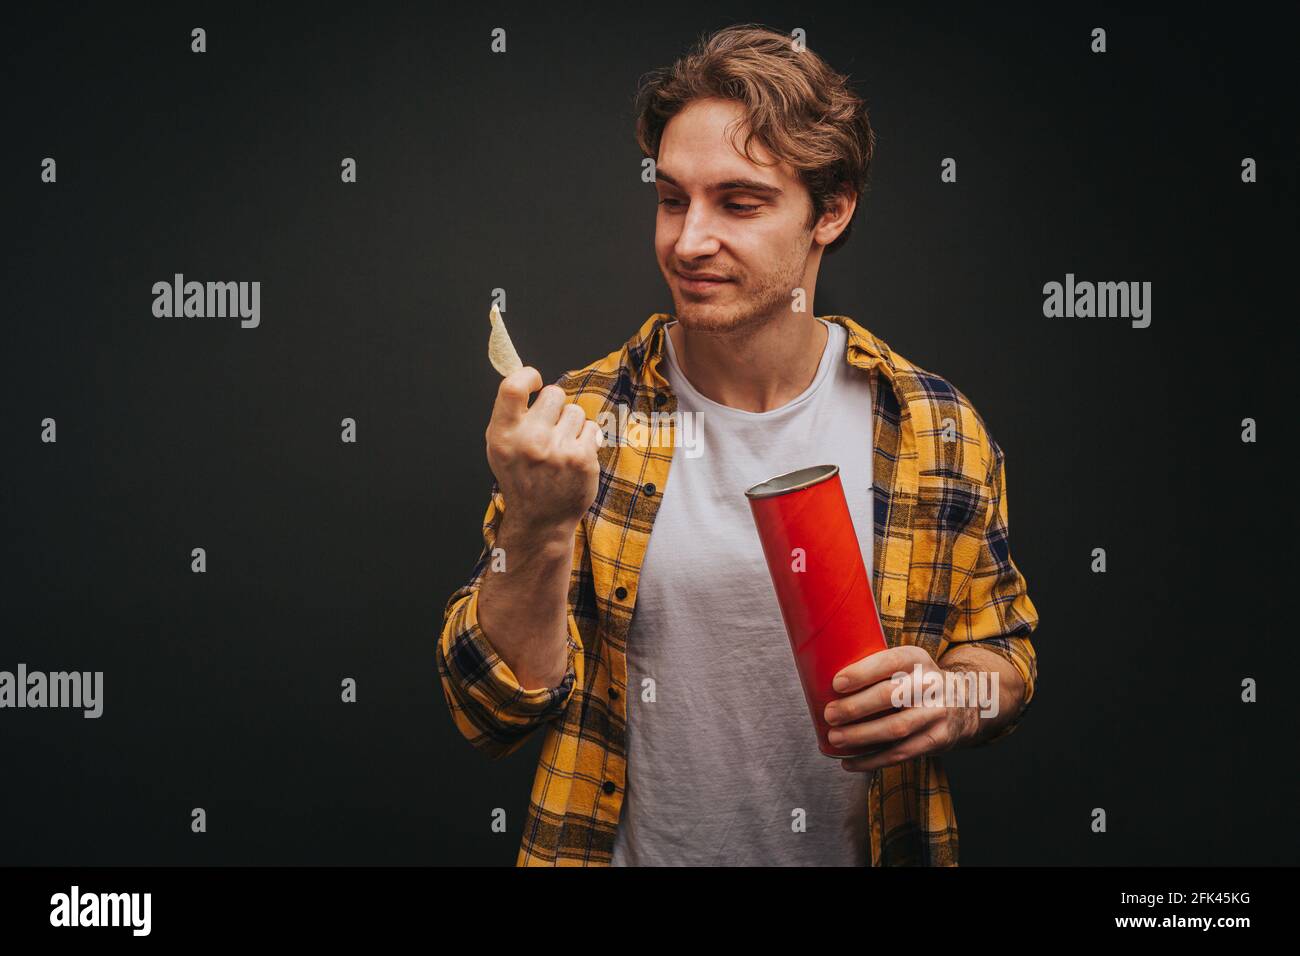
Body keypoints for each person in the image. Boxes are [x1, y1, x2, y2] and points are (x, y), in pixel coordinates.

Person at [437, 23, 1039, 866]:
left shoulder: (931, 426)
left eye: (740, 203)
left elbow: (1005, 655)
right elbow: (489, 708)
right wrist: (534, 528)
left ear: (831, 210)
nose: (688, 241)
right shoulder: (581, 422)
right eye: (673, 198)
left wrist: (954, 696)